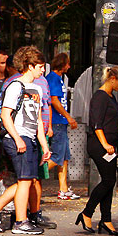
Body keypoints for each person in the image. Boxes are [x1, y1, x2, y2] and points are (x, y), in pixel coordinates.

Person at [0, 46, 52, 235]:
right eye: (40, 67)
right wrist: (17, 138)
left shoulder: (36, 89)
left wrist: (44, 146)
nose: (43, 71)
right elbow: (5, 115)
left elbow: (36, 121)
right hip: (18, 138)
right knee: (25, 180)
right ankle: (20, 222)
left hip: (29, 138)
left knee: (26, 180)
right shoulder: (15, 86)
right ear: (29, 66)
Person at [79, 66, 118, 236]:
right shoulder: (100, 97)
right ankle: (87, 213)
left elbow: (110, 123)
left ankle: (106, 219)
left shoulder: (111, 97)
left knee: (109, 181)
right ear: (112, 78)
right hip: (100, 145)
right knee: (109, 181)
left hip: (109, 144)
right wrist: (105, 144)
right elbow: (97, 124)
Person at [46, 53, 78, 200]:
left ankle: (63, 189)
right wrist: (68, 116)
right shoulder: (53, 78)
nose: (69, 67)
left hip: (61, 122)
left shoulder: (58, 79)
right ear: (62, 64)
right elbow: (54, 101)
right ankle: (37, 174)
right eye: (67, 64)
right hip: (57, 121)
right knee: (58, 155)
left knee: (64, 156)